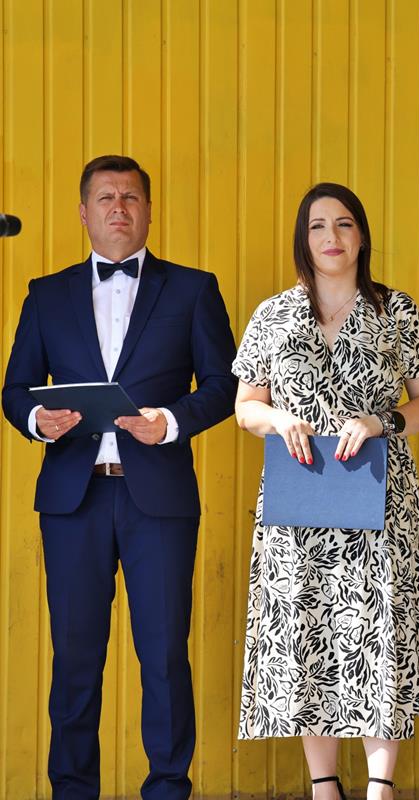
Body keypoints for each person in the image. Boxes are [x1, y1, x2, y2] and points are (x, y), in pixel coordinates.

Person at [1, 155, 237, 799]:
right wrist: (38, 420)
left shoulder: (193, 289)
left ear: (149, 211)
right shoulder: (46, 294)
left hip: (158, 499)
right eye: (105, 197)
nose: (118, 208)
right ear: (84, 213)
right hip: (71, 500)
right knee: (76, 658)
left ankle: (167, 788)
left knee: (163, 655)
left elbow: (224, 385)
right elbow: (15, 389)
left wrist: (171, 420)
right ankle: (72, 790)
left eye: (131, 197)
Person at [232, 182, 419, 800]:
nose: (331, 237)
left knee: (382, 634)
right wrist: (279, 420)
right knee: (308, 635)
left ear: (362, 236)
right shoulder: (273, 314)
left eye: (344, 224)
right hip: (299, 497)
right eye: (318, 226)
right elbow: (245, 407)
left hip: (379, 496)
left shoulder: (397, 310)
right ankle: (324, 787)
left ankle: (380, 787)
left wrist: (382, 421)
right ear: (303, 239)